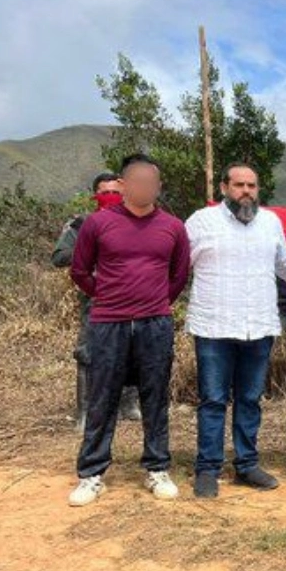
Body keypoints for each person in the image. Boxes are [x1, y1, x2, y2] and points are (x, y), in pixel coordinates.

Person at [67, 153, 190, 507]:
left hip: (156, 323)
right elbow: (80, 271)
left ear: (158, 186)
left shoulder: (172, 227)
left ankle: (157, 467)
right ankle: (91, 474)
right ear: (122, 185)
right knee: (102, 397)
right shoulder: (98, 223)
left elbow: (179, 275)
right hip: (108, 323)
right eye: (137, 181)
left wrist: (153, 302)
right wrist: (107, 296)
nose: (144, 188)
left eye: (151, 182)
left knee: (155, 396)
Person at [184, 163, 286, 498]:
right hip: (214, 326)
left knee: (249, 399)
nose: (246, 191)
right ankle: (208, 470)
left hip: (258, 325)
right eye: (239, 185)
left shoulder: (271, 222)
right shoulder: (201, 221)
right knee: (213, 400)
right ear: (224, 187)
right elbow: (175, 266)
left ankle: (247, 465)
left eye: (252, 186)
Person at [51, 171, 141, 429]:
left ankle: (128, 406)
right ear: (96, 195)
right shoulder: (80, 224)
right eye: (106, 192)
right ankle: (85, 413)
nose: (112, 196)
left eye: (117, 192)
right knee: (88, 353)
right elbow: (59, 257)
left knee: (133, 349)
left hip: (134, 297)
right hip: (96, 299)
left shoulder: (139, 220)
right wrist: (90, 247)